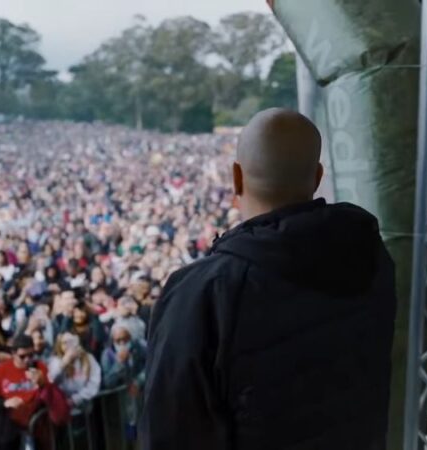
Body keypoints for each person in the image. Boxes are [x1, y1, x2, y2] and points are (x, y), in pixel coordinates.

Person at [139, 109, 397, 450]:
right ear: (317, 176)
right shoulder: (372, 255)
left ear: (236, 178)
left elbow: (169, 433)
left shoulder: (203, 292)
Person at [0, 334, 68, 450]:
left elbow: (51, 395)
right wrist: (5, 403)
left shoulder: (40, 367)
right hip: (9, 429)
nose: (27, 360)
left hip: (37, 426)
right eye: (22, 356)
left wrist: (43, 383)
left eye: (31, 355)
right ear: (13, 353)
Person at [48, 332, 101, 410]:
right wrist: (65, 362)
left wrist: (76, 399)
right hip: (63, 406)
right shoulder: (56, 361)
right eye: (64, 343)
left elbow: (94, 383)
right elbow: (51, 380)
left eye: (71, 341)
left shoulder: (89, 358)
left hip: (84, 406)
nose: (68, 345)